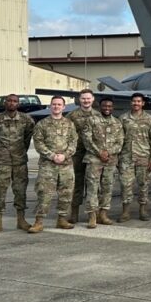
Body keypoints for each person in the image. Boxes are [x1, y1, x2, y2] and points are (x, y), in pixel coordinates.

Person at [0, 93, 35, 233]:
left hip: (20, 161)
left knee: (20, 191)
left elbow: (27, 138)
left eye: (15, 101)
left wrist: (20, 152)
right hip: (2, 162)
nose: (12, 103)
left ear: (18, 104)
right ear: (4, 103)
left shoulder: (26, 120)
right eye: (9, 101)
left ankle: (21, 220)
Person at [29, 96, 78, 232]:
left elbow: (74, 143)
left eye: (59, 104)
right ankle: (39, 221)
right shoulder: (42, 124)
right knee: (44, 193)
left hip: (66, 164)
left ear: (64, 107)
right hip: (48, 165)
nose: (56, 106)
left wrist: (65, 155)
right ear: (50, 106)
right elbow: (38, 143)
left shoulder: (69, 124)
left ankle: (62, 219)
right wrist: (52, 156)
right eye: (54, 104)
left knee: (66, 192)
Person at [83, 96, 124, 227]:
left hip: (110, 161)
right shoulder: (91, 120)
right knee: (92, 188)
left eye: (109, 106)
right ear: (100, 107)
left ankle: (103, 214)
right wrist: (99, 152)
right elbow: (87, 139)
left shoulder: (117, 123)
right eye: (105, 106)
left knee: (107, 187)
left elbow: (120, 142)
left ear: (113, 108)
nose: (107, 108)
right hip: (94, 159)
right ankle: (92, 216)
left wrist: (109, 152)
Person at [119, 93, 151, 222]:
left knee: (144, 185)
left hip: (144, 157)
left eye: (138, 101)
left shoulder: (150, 120)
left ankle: (143, 210)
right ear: (131, 103)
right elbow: (118, 139)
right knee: (125, 185)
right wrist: (118, 157)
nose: (136, 103)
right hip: (126, 158)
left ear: (143, 103)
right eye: (134, 101)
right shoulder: (123, 118)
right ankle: (126, 211)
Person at [65, 89, 101, 225]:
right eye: (83, 98)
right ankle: (74, 213)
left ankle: (93, 214)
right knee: (76, 183)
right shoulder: (71, 116)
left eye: (88, 98)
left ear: (93, 99)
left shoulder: (98, 115)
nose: (86, 101)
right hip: (77, 154)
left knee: (94, 184)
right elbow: (66, 134)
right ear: (79, 100)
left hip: (93, 154)